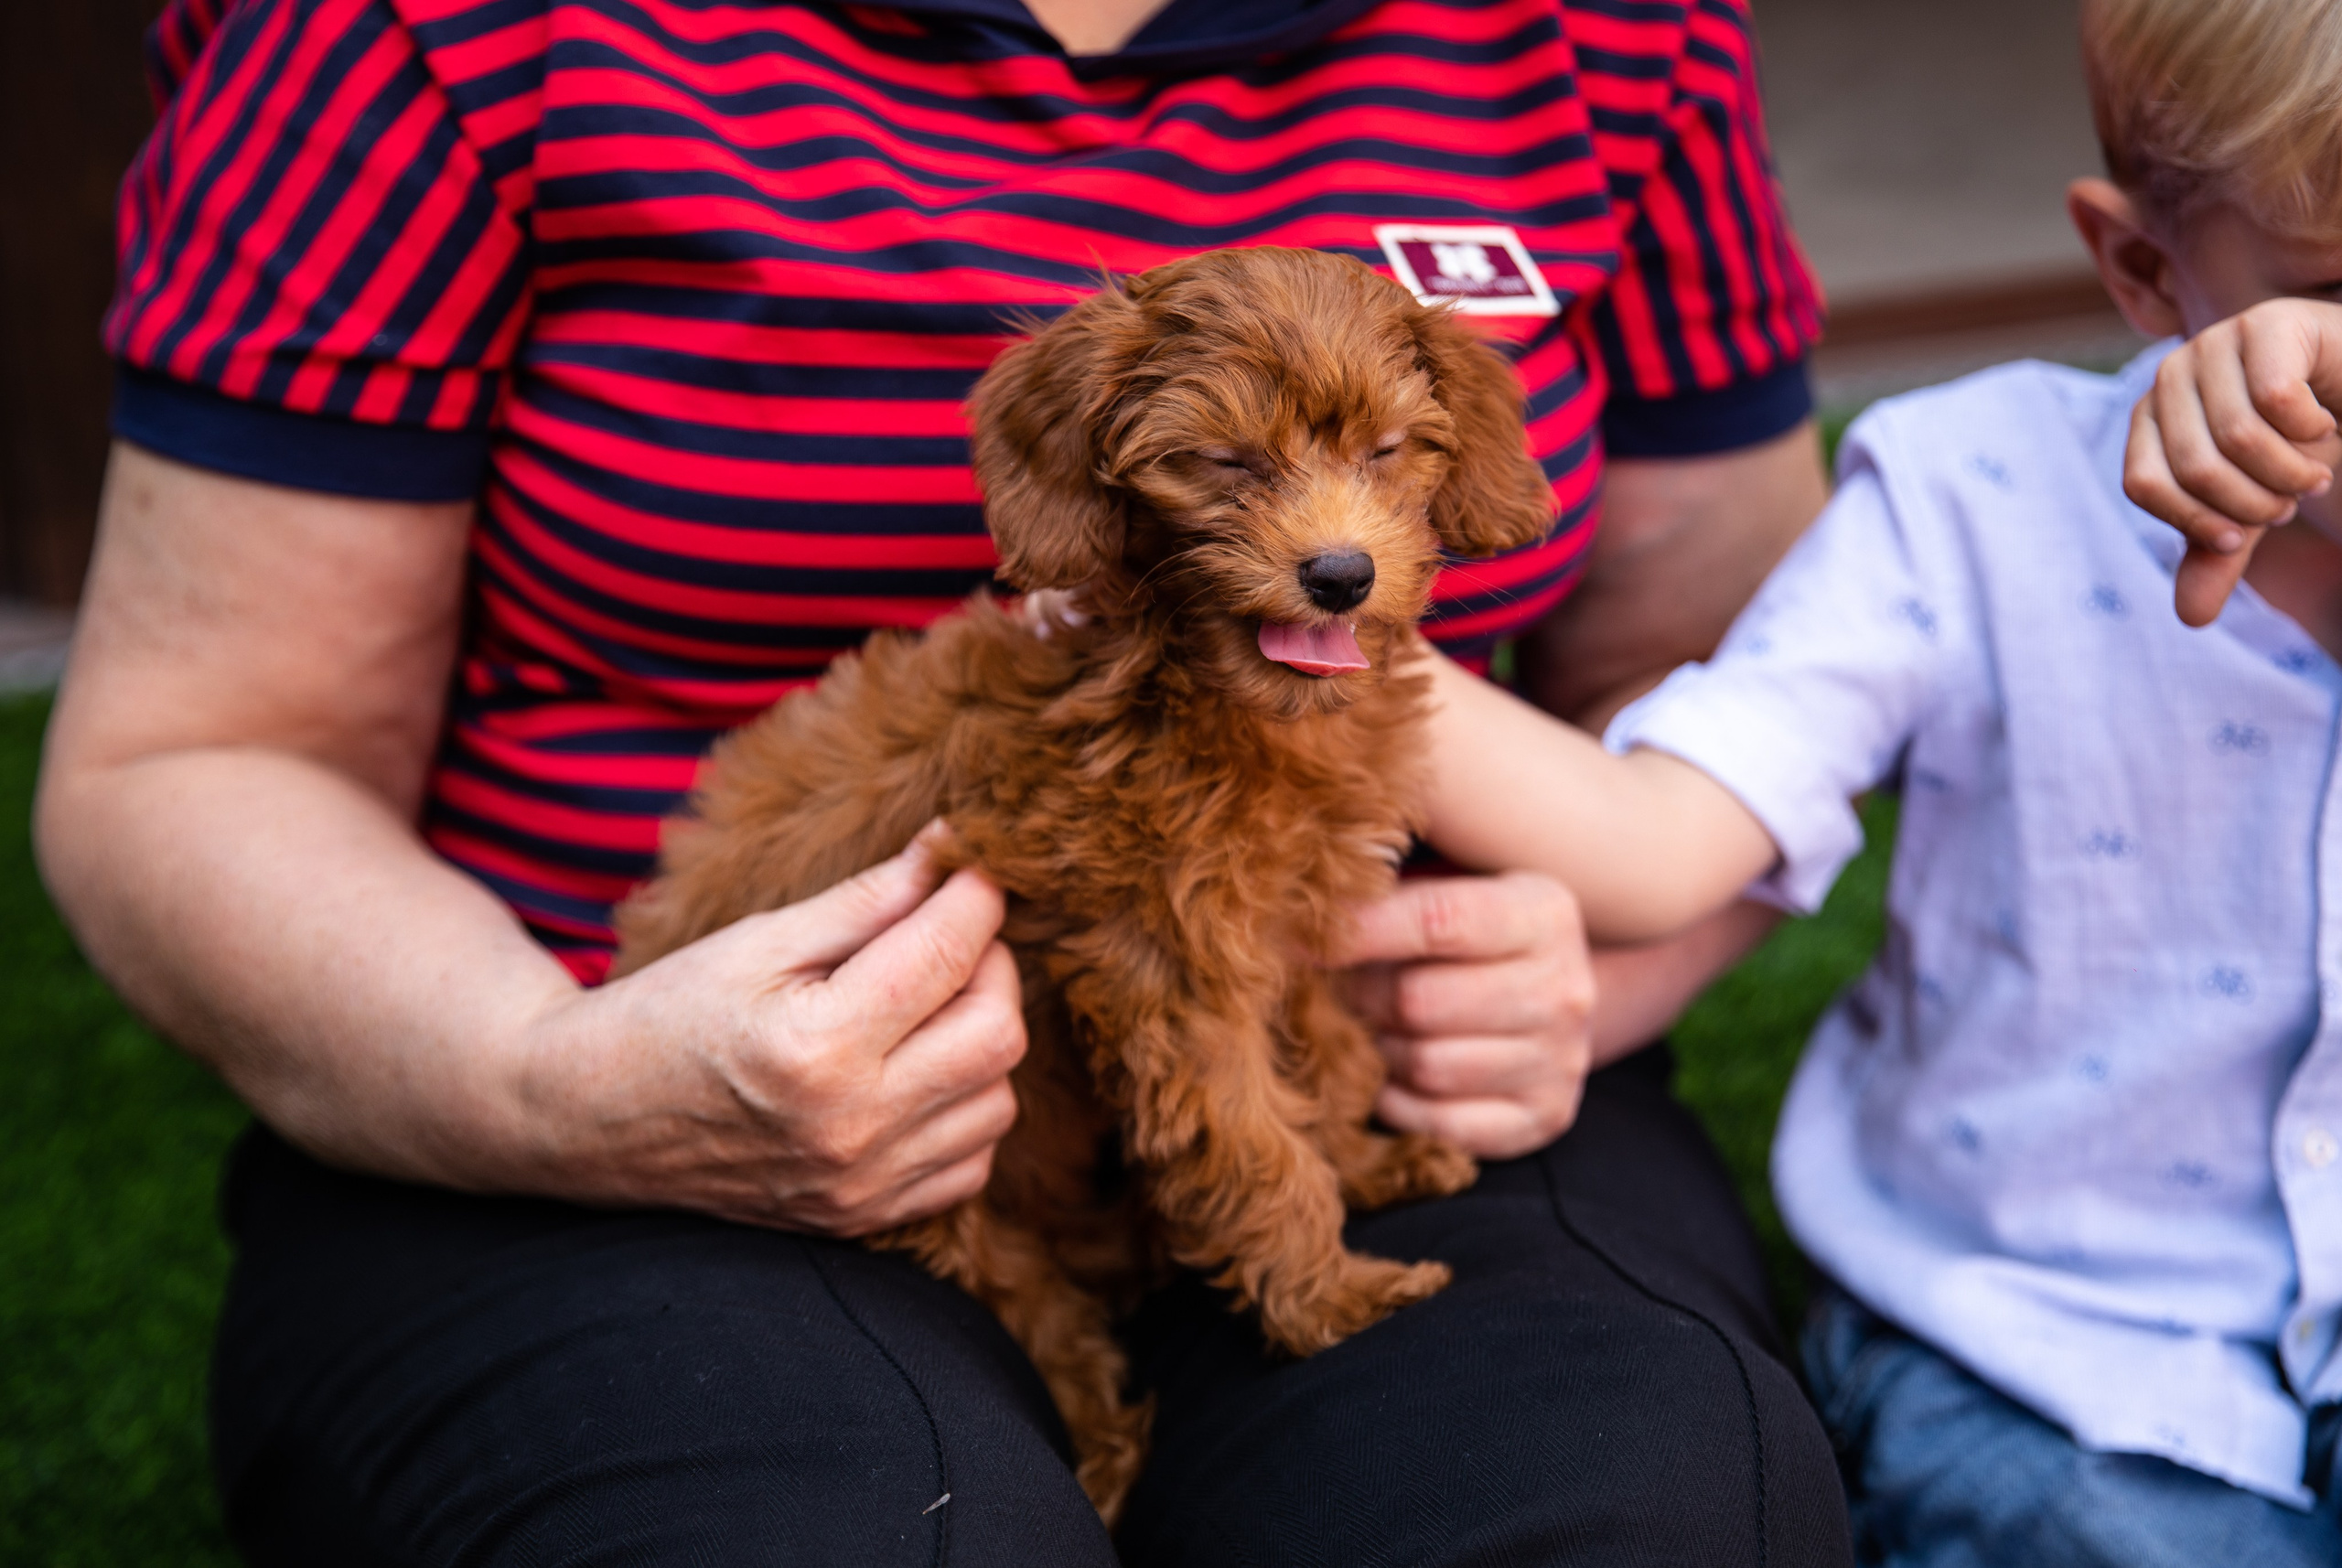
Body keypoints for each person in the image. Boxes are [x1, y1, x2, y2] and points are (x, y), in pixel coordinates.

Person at [33, 0, 1848, 1561]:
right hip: (603, 1056)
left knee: (1608, 1498)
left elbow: (1756, 714)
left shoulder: (1610, 29)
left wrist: (1599, 979)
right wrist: (546, 1078)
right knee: (843, 1525)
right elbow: (199, 750)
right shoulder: (419, 30)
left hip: (1362, 1016)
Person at [1420, 0, 2342, 1561]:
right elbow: (1657, 843)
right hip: (2038, 1345)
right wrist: (1336, 656)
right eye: (2327, 295)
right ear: (2143, 274)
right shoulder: (1963, 501)